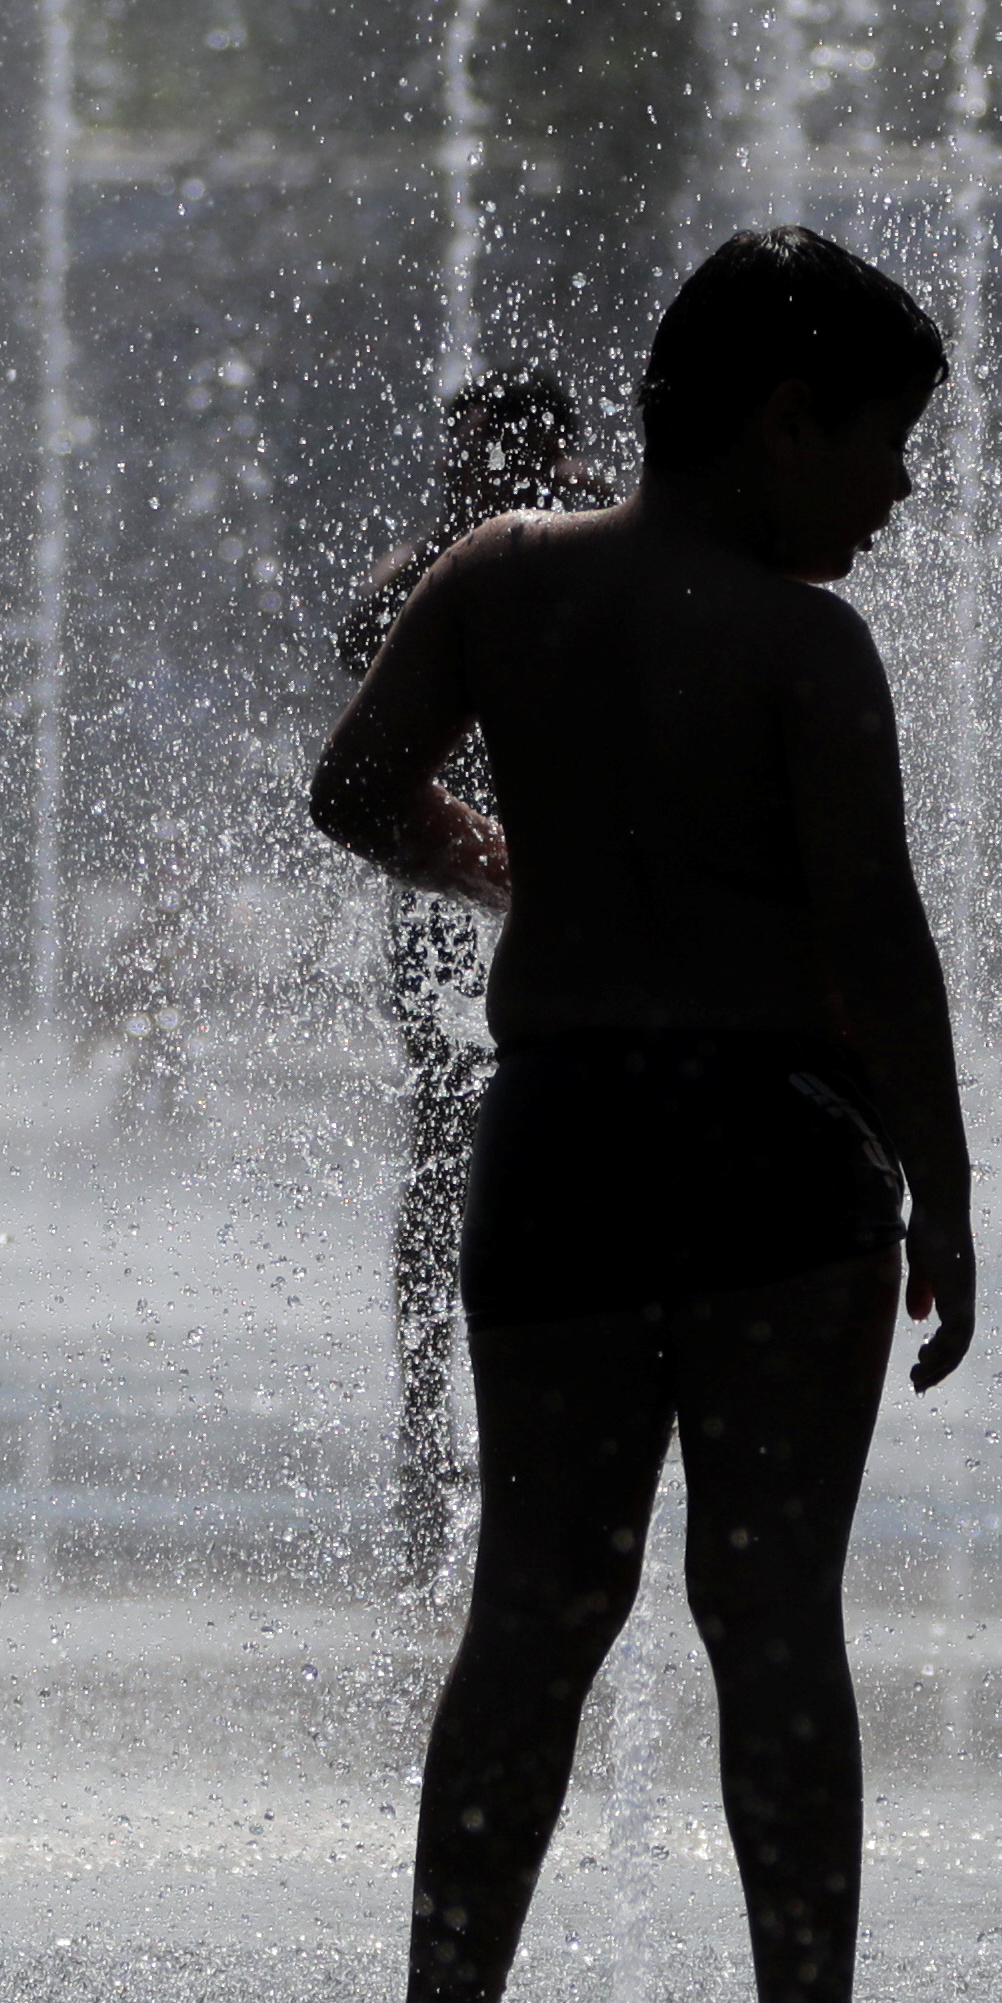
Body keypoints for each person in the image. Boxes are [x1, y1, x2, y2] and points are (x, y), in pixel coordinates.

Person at [296, 228, 982, 2003]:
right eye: (884, 447)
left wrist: (516, 877)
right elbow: (878, 938)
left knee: (533, 1597)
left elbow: (352, 790)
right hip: (777, 1154)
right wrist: (943, 1179)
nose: (898, 494)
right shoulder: (803, 646)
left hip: (563, 1134)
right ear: (782, 424)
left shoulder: (499, 576)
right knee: (769, 1608)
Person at [338, 365, 591, 1589]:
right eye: (465, 461)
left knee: (562, 1158)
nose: (469, 479)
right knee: (442, 1154)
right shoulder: (444, 563)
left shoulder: (596, 546)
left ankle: (548, 1429)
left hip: (574, 915)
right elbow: (358, 641)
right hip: (446, 912)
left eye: (489, 457)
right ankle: (428, 1428)